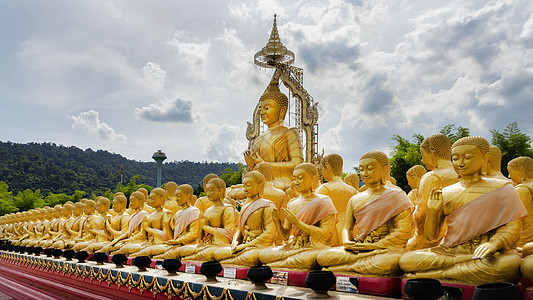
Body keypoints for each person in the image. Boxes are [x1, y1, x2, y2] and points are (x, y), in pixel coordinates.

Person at [399, 136, 527, 283]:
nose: (461, 163)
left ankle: (436, 275)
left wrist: (493, 243)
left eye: (467, 157)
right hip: (451, 252)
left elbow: (513, 227)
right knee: (406, 260)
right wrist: (433, 212)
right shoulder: (446, 192)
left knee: (509, 264)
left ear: (485, 158)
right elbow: (431, 237)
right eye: (455, 158)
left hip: (489, 252)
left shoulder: (502, 188)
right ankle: (458, 267)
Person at [316, 151, 413, 276]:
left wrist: (375, 246)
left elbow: (402, 232)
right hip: (360, 249)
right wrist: (346, 242)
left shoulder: (397, 196)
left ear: (385, 169)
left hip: (385, 251)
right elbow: (347, 228)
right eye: (361, 169)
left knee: (392, 262)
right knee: (322, 257)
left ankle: (345, 268)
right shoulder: (355, 199)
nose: (365, 174)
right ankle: (352, 267)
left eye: (370, 169)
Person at [258, 163, 337, 270]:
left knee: (307, 259)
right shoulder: (292, 203)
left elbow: (326, 234)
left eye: (300, 178)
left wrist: (298, 223)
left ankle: (281, 265)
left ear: (313, 178)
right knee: (264, 255)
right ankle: (283, 264)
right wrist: (277, 222)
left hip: (313, 247)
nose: (296, 182)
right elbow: (285, 236)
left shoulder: (323, 201)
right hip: (293, 246)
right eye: (294, 179)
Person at [244, 79, 304, 191]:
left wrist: (264, 164)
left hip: (282, 181)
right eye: (261, 109)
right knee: (229, 190)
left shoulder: (290, 133)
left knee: (274, 187)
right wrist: (251, 166)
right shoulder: (258, 139)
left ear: (282, 110)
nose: (262, 113)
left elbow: (297, 165)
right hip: (259, 182)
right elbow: (256, 173)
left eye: (267, 108)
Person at [214, 171, 276, 266]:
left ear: (260, 185)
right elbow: (239, 230)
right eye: (244, 186)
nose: (245, 189)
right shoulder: (244, 206)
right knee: (218, 253)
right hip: (244, 245)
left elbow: (269, 234)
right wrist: (235, 242)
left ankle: (226, 263)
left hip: (259, 246)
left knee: (249, 257)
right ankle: (230, 262)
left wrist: (245, 246)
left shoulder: (268, 206)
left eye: (248, 185)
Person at [408, 134, 459, 250]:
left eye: (423, 155)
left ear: (431, 152)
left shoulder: (431, 177)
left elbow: (422, 217)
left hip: (433, 240)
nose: (422, 160)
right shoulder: (460, 174)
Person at [179, 178, 236, 261]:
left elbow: (228, 234)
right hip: (206, 244)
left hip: (220, 245)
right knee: (183, 250)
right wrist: (200, 227)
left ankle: (190, 258)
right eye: (207, 190)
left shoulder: (227, 209)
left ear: (222, 190)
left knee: (207, 253)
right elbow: (201, 238)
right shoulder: (208, 210)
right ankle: (191, 257)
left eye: (211, 190)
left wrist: (205, 227)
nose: (208, 194)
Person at [316, 153, 357, 246]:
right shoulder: (353, 191)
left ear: (327, 167)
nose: (321, 173)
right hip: (351, 236)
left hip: (332, 238)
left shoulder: (323, 189)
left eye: (322, 169)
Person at [507, 156, 533, 248]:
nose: (509, 176)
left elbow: (518, 218)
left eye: (510, 172)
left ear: (520, 171)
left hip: (525, 240)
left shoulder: (522, 189)